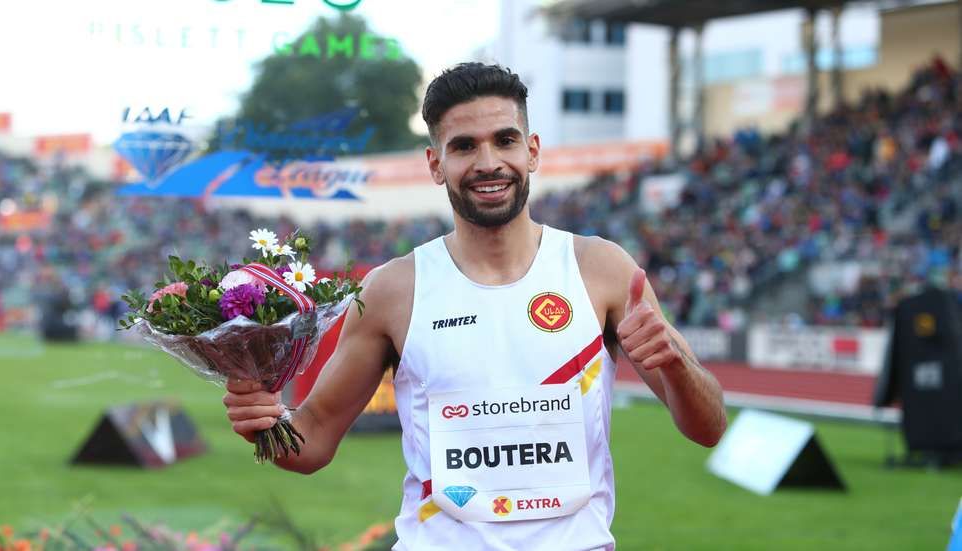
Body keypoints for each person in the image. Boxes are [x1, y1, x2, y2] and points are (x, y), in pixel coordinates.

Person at [223, 62, 727, 550]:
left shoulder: (602, 269)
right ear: (435, 164)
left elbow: (709, 427)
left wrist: (675, 363)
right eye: (464, 146)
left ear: (532, 151)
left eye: (505, 140)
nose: (488, 162)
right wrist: (263, 422)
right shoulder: (392, 291)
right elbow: (311, 440)